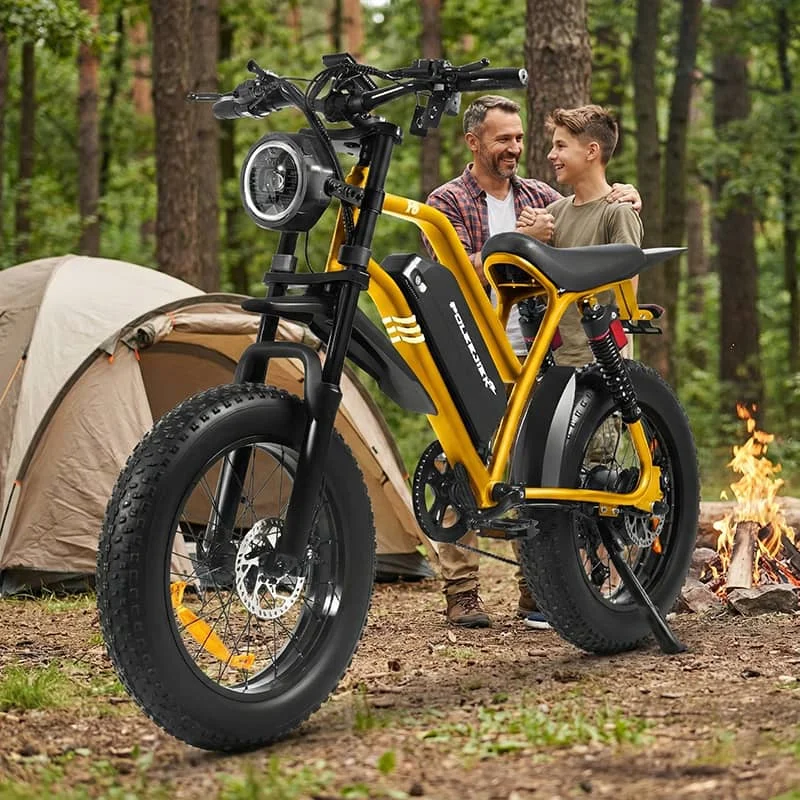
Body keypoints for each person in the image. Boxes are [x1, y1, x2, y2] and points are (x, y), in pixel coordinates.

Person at [425, 95, 641, 628]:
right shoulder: (446, 201)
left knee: (531, 467)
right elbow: (447, 274)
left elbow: (591, 208)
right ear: (474, 142)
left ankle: (534, 591)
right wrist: (518, 241)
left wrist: (625, 195)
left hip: (538, 353)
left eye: (520, 139)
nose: (516, 150)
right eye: (504, 140)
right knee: (466, 461)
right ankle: (462, 591)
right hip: (472, 347)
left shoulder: (540, 195)